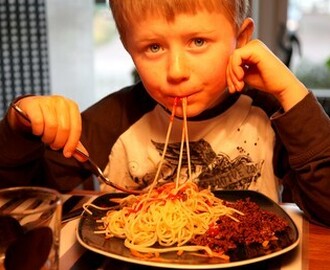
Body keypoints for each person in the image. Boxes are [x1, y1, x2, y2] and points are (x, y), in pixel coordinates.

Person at [0, 0, 329, 226]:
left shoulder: (270, 115)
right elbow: (21, 205)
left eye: (198, 41)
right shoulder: (112, 120)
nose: (176, 71)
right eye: (153, 47)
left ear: (241, 39)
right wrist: (20, 129)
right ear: (129, 48)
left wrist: (291, 92)